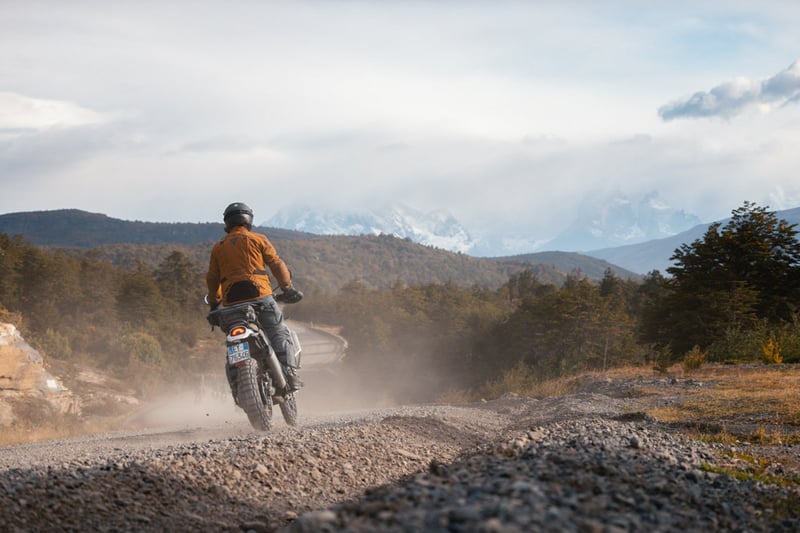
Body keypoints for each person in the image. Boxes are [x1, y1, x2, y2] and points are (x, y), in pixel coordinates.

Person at [206, 202, 304, 391]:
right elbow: (276, 264)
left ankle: (238, 384)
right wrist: (287, 288)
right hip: (261, 298)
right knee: (277, 332)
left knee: (232, 343)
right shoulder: (258, 239)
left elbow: (212, 278)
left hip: (231, 305)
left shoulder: (218, 247)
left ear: (227, 222)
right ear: (248, 220)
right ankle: (290, 375)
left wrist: (214, 303)